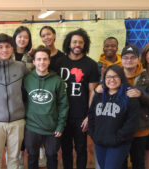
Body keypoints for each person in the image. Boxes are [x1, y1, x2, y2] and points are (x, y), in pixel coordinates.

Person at [55, 28, 99, 169]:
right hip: (63, 115)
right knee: (65, 149)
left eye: (81, 42)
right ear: (69, 44)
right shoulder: (59, 63)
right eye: (74, 42)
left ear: (84, 45)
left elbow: (93, 91)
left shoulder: (91, 64)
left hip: (81, 116)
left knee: (81, 149)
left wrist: (89, 115)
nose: (77, 45)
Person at [23, 45, 69, 169]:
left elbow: (63, 104)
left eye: (44, 59)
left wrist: (60, 125)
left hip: (52, 129)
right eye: (38, 59)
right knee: (32, 158)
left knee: (52, 157)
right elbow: (21, 100)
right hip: (32, 127)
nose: (41, 62)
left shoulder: (57, 81)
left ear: (49, 61)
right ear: (33, 61)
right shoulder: (27, 79)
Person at [0, 33, 26, 169]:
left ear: (12, 48)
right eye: (0, 47)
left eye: (7, 46)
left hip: (17, 121)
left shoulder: (21, 67)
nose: (4, 50)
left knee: (14, 158)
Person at [88, 65, 140, 169]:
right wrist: (94, 135)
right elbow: (91, 116)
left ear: (121, 78)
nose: (111, 80)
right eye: (108, 77)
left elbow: (132, 123)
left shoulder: (129, 96)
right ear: (104, 79)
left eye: (115, 76)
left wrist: (117, 139)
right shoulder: (99, 95)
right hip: (100, 142)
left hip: (119, 144)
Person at [119, 45, 149, 169]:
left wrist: (141, 95)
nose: (129, 60)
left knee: (138, 162)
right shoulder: (115, 76)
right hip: (120, 128)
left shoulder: (147, 77)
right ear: (121, 59)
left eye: (132, 57)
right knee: (120, 162)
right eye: (126, 57)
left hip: (140, 128)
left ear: (138, 59)